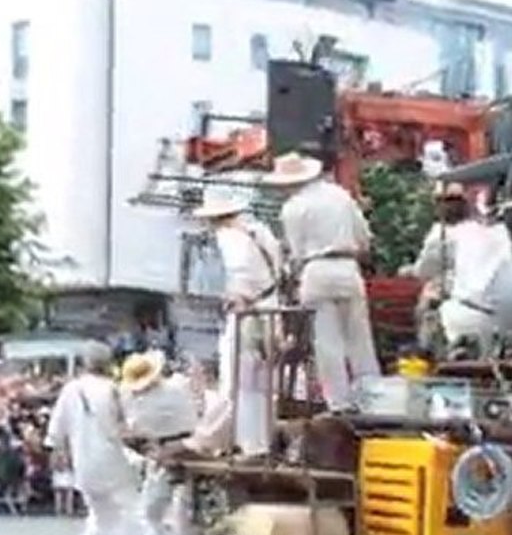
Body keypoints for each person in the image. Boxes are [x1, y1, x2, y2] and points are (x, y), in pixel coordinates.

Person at [267, 153, 380, 412]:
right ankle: (374, 399)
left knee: (328, 343)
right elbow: (364, 238)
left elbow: (295, 254)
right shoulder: (341, 196)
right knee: (360, 339)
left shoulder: (293, 208)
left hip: (316, 270)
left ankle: (339, 404)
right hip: (348, 267)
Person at [194, 183, 282, 456]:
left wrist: (237, 297)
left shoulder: (229, 236)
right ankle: (259, 441)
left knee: (238, 381)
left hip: (249, 313)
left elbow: (241, 274)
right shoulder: (259, 230)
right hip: (270, 306)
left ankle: (241, 442)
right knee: (263, 383)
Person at [46, 341, 145, 535]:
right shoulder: (114, 389)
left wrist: (57, 449)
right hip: (110, 454)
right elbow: (128, 423)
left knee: (100, 508)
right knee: (129, 505)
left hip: (83, 457)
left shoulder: (72, 389)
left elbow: (57, 426)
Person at [401, 181, 512, 359]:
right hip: (497, 309)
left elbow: (424, 270)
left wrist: (408, 271)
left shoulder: (440, 233)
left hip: (463, 301)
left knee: (426, 307)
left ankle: (427, 355)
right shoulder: (497, 232)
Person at [119, 350, 200, 535]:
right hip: (191, 449)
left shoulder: (140, 404)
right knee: (184, 514)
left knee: (149, 513)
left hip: (164, 456)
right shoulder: (179, 387)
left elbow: (134, 433)